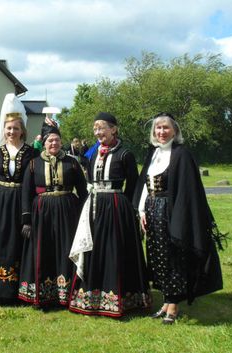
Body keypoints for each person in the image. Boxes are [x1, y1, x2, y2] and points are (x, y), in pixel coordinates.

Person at [133, 112, 224, 324]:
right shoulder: (153, 153)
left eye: (166, 128)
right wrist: (142, 212)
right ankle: (166, 299)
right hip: (153, 210)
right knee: (158, 257)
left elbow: (188, 190)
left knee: (174, 256)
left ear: (175, 130)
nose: (162, 132)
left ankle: (173, 305)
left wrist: (179, 218)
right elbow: (145, 185)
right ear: (153, 131)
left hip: (172, 211)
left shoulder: (182, 154)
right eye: (158, 128)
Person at [68, 112, 150, 318]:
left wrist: (128, 208)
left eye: (102, 127)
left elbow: (133, 184)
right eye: (95, 128)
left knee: (115, 248)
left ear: (113, 129)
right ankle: (93, 295)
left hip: (115, 206)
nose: (97, 132)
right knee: (94, 248)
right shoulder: (94, 153)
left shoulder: (125, 154)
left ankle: (121, 296)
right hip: (95, 204)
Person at [18, 122, 88, 307]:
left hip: (68, 212)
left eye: (57, 140)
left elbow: (82, 190)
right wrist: (26, 220)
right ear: (44, 143)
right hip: (42, 213)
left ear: (61, 141)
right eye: (50, 140)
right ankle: (44, 294)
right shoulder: (34, 163)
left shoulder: (72, 162)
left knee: (66, 248)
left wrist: (84, 215)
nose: (54, 144)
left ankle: (68, 293)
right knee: (44, 249)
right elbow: (26, 192)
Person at [0, 94, 35, 303]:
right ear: (4, 130)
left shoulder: (30, 153)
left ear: (22, 131)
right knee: (0, 242)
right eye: (8, 128)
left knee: (19, 243)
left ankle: (19, 291)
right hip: (1, 202)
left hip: (21, 201)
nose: (12, 132)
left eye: (16, 128)